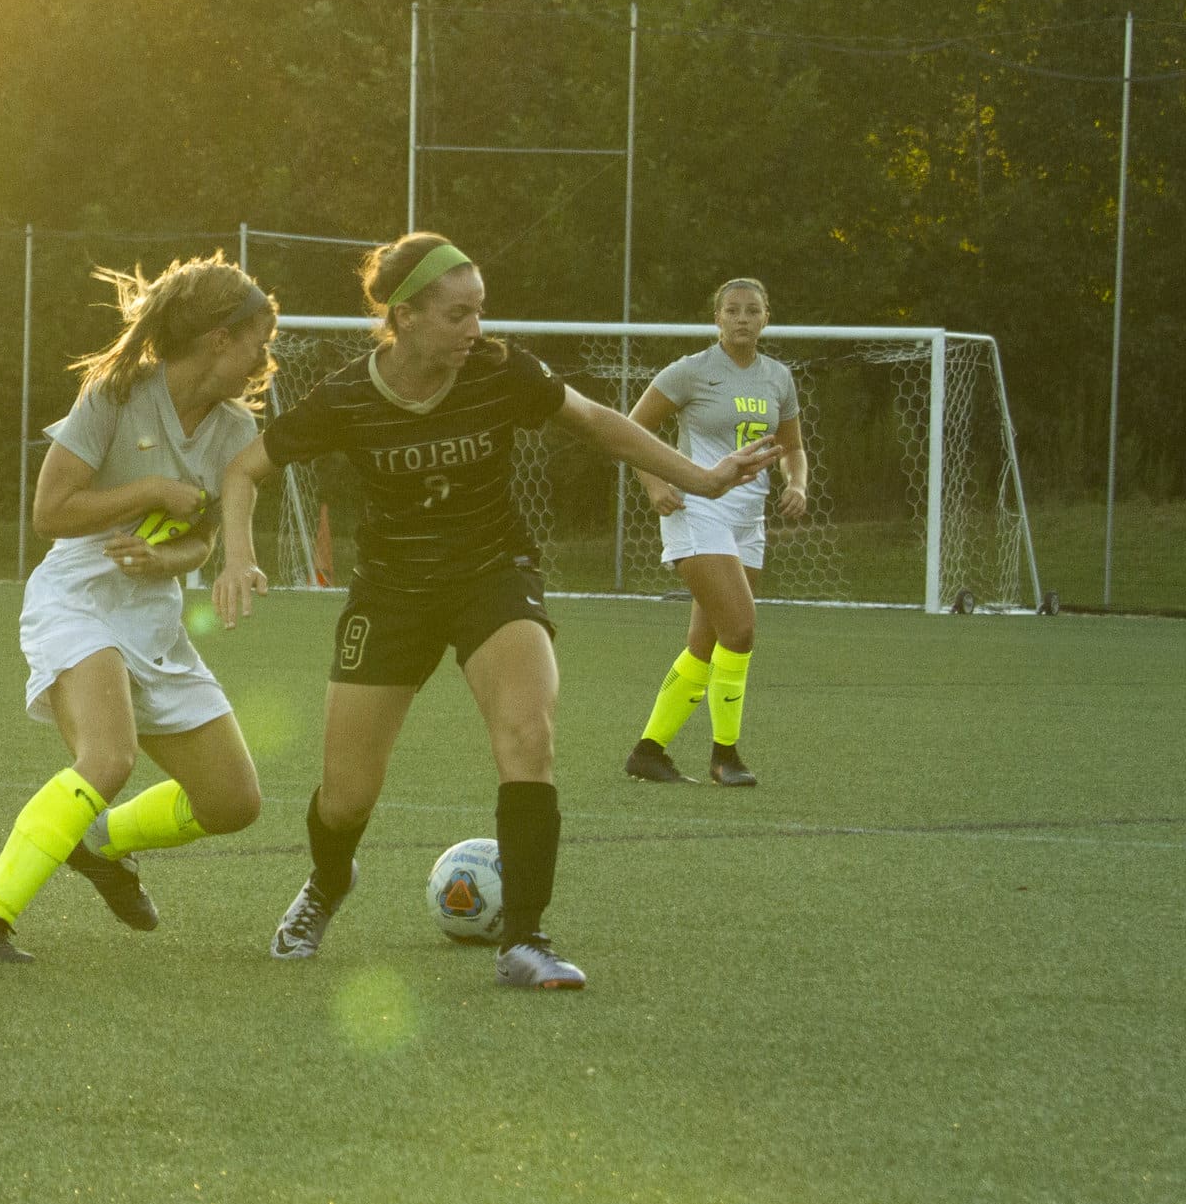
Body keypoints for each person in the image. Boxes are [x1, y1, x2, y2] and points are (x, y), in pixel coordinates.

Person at [215, 234, 782, 992]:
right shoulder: (348, 396)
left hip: (492, 572)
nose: (476, 328)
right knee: (346, 796)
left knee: (528, 732)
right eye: (458, 314)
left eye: (480, 310)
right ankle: (327, 880)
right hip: (392, 591)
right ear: (406, 317)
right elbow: (244, 468)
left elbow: (597, 421)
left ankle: (524, 940)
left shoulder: (501, 370)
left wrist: (703, 480)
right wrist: (235, 555)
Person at [0, 256, 277, 964]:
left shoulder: (236, 428)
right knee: (109, 757)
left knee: (233, 803)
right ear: (218, 339)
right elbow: (50, 511)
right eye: (256, 340)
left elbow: (201, 540)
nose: (264, 357)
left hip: (153, 616)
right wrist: (151, 488)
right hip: (78, 599)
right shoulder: (116, 392)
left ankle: (99, 843)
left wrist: (173, 560)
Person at [621, 276, 807, 789]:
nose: (742, 318)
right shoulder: (692, 372)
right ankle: (725, 755)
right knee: (741, 629)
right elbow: (631, 430)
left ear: (766, 317)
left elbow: (793, 446)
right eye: (732, 311)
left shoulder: (778, 378)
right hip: (697, 509)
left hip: (748, 521)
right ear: (717, 320)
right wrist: (655, 483)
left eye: (752, 310)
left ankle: (648, 751)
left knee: (708, 641)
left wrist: (798, 483)